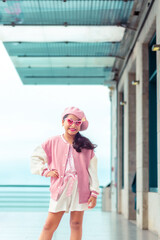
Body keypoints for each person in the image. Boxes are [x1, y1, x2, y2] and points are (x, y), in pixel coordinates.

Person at [30, 106, 100, 240]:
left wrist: (94, 192)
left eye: (78, 122)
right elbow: (35, 157)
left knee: (76, 224)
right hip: (60, 188)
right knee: (48, 226)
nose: (73, 125)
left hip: (80, 188)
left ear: (81, 125)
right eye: (70, 121)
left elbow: (92, 171)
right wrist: (45, 171)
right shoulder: (52, 142)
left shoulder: (86, 146)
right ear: (63, 122)